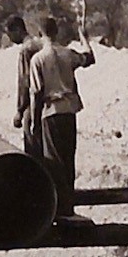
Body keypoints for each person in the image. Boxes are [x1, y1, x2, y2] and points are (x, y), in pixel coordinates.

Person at [29, 16, 94, 223]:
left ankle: (60, 210)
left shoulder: (38, 59)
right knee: (68, 159)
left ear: (40, 35)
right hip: (69, 112)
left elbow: (37, 93)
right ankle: (68, 207)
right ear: (56, 32)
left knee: (53, 161)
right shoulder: (68, 54)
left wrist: (33, 120)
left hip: (51, 112)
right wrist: (84, 37)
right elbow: (89, 58)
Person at [6, 15, 42, 157]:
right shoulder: (39, 44)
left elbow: (24, 82)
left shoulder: (25, 50)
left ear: (18, 30)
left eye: (10, 34)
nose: (10, 38)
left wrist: (20, 111)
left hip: (31, 105)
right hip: (45, 103)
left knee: (32, 148)